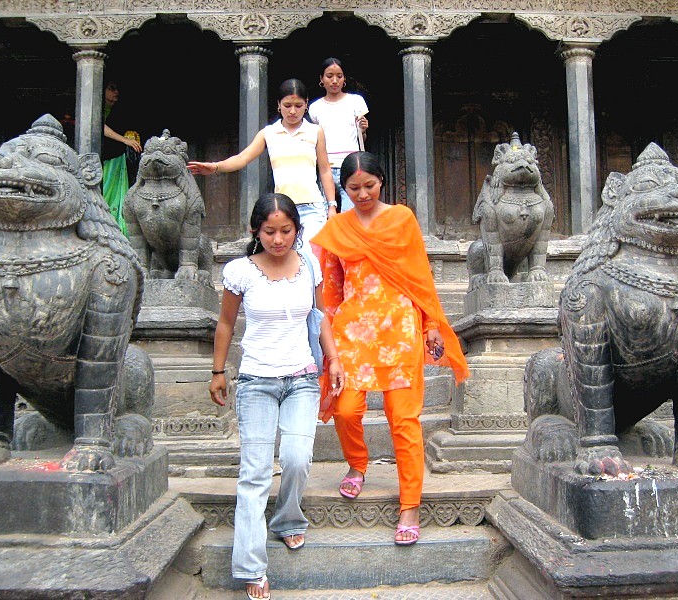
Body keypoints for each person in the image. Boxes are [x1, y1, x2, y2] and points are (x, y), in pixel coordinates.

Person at [311, 151, 469, 546]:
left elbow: (419, 275)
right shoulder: (336, 229)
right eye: (353, 188)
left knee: (404, 419)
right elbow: (329, 290)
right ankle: (357, 465)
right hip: (351, 333)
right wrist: (326, 344)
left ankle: (410, 505)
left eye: (369, 185)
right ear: (342, 189)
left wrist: (431, 323)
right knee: (346, 409)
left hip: (399, 328)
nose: (362, 194)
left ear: (382, 181)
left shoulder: (401, 219)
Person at [210, 193, 344, 600]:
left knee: (297, 459)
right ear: (256, 231)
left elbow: (319, 319)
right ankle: (251, 566)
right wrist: (218, 372)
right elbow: (225, 324)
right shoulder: (240, 272)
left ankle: (287, 519)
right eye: (270, 231)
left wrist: (333, 359)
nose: (278, 239)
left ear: (297, 231)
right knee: (253, 472)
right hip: (255, 381)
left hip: (301, 377)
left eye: (286, 230)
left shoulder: (310, 267)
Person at [188, 78, 337, 253]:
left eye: (298, 105)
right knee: (285, 256)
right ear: (279, 105)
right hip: (282, 208)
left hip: (312, 206)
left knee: (312, 256)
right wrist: (215, 167)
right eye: (287, 105)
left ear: (306, 105)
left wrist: (331, 206)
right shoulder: (269, 133)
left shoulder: (315, 131)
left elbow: (325, 170)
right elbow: (243, 158)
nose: (292, 111)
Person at [308, 57, 369, 212]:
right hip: (325, 167)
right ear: (321, 79)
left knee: (350, 214)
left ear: (344, 79)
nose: (334, 80)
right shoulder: (315, 108)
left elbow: (362, 139)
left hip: (351, 167)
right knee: (324, 214)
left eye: (339, 76)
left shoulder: (356, 101)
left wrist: (363, 130)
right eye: (329, 76)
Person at [101, 81, 141, 235]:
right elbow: (99, 125)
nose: (115, 93)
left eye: (117, 89)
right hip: (104, 157)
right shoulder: (95, 106)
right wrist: (124, 140)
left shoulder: (120, 110)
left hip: (117, 158)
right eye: (111, 89)